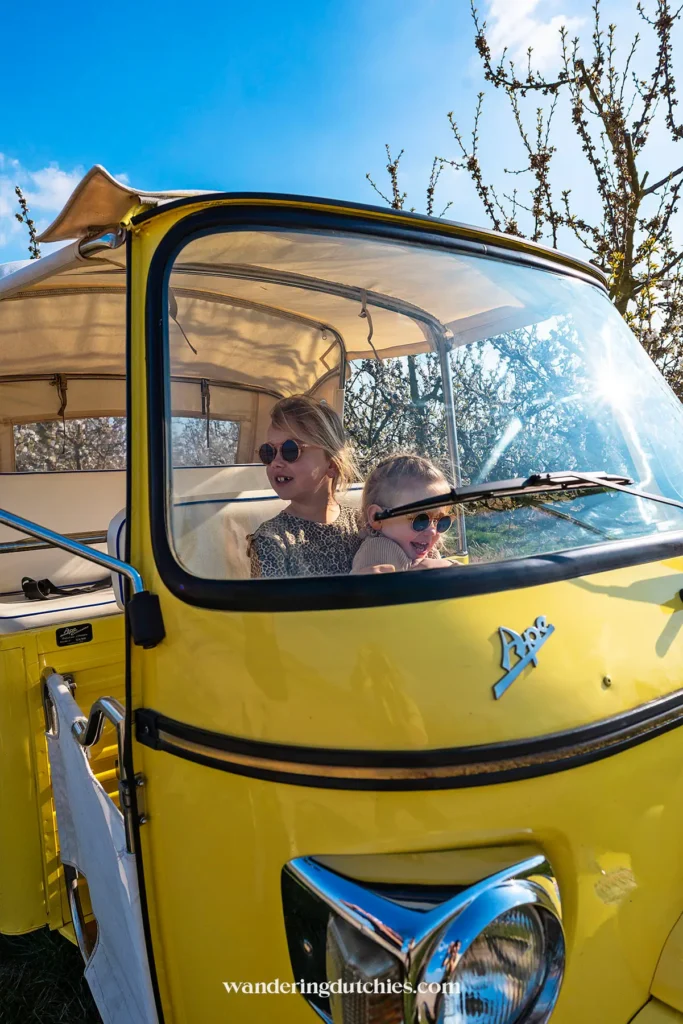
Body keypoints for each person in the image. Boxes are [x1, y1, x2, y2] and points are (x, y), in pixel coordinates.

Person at [248, 395, 361, 578]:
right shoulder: (271, 540)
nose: (275, 462)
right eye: (269, 452)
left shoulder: (362, 524)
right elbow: (269, 597)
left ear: (332, 464)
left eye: (290, 450)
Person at [351, 454, 457, 573]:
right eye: (420, 520)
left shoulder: (426, 550)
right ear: (378, 518)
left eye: (442, 522)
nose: (432, 531)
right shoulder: (379, 550)